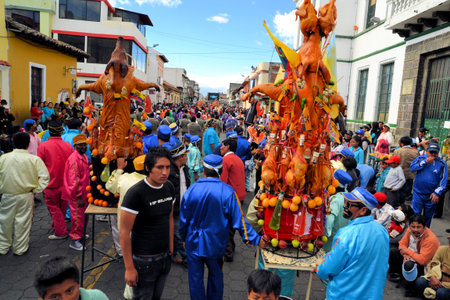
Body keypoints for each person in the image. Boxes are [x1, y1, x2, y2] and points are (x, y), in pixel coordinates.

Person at [180, 154, 268, 300]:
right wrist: (255, 239)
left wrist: (184, 238)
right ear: (220, 171)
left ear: (204, 170)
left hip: (193, 242)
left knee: (195, 280)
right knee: (216, 279)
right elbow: (240, 220)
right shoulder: (227, 192)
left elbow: (184, 220)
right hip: (215, 244)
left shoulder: (192, 190)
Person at [120, 147, 175, 300]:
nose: (164, 172)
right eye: (159, 167)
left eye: (167, 167)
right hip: (144, 262)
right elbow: (124, 232)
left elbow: (169, 218)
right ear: (147, 168)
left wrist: (171, 247)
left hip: (164, 258)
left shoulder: (169, 187)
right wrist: (129, 268)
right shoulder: (136, 194)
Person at [316, 187, 389, 300]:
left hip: (344, 295)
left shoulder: (346, 234)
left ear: (363, 210)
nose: (345, 206)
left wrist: (319, 268)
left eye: (350, 204)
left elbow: (328, 269)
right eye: (345, 202)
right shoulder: (381, 230)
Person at [0, 132, 50, 255]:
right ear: (28, 144)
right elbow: (45, 177)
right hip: (26, 195)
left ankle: (3, 246)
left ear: (13, 142)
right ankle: (20, 249)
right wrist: (37, 190)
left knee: (4, 221)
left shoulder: (4, 158)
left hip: (7, 195)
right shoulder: (34, 159)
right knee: (23, 222)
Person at [37, 121, 74, 239]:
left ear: (49, 131)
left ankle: (60, 232)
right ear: (61, 131)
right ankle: (58, 225)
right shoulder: (68, 146)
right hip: (65, 182)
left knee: (54, 208)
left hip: (50, 183)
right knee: (61, 206)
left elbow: (39, 165)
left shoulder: (43, 146)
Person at [388, 214, 440, 297]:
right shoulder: (409, 230)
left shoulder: (430, 239)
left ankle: (412, 288)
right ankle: (399, 276)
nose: (415, 229)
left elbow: (423, 261)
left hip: (426, 265)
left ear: (424, 226)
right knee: (393, 252)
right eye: (413, 227)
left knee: (409, 264)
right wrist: (405, 255)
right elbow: (402, 244)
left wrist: (408, 252)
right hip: (412, 256)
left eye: (418, 227)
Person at [220, 138, 247, 262]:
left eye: (223, 145)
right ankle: (231, 248)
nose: (221, 147)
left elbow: (223, 181)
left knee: (226, 226)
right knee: (232, 225)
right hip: (239, 196)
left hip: (230, 197)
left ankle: (228, 253)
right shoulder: (238, 159)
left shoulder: (226, 159)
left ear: (228, 147)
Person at [34, 256, 108, 300]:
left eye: (69, 291)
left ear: (78, 284)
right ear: (42, 297)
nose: (66, 299)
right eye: (55, 297)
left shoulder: (97, 297)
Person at [410, 142, 448, 227]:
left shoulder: (442, 164)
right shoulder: (420, 159)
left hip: (431, 196)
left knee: (428, 218)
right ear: (426, 151)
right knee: (416, 216)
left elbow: (443, 182)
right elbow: (412, 168)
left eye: (435, 152)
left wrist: (436, 193)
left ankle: (425, 237)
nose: (433, 155)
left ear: (438, 153)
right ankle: (414, 235)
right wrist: (425, 162)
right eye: (431, 152)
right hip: (418, 193)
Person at [62, 134, 90, 251]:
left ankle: (81, 234)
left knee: (84, 216)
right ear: (75, 146)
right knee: (77, 217)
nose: (83, 147)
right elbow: (74, 180)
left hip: (85, 193)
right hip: (77, 194)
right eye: (80, 145)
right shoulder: (74, 159)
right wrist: (78, 196)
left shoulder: (83, 157)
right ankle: (75, 240)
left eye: (85, 144)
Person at [167, 139, 190, 266]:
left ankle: (174, 254)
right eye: (185, 155)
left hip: (183, 208)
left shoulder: (184, 168)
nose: (187, 157)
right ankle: (187, 260)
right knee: (180, 235)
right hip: (174, 210)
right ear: (180, 157)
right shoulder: (170, 172)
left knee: (179, 234)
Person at [323, 170, 353, 252]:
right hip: (347, 237)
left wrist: (326, 234)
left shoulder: (335, 199)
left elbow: (330, 219)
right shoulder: (350, 197)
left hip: (333, 239)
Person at [416, 229, 450, 300]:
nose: (448, 237)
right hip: (437, 279)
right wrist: (432, 277)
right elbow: (432, 265)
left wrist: (441, 284)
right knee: (420, 282)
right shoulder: (442, 249)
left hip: (447, 285)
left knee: (441, 293)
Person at [393, 136, 418, 202]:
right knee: (405, 194)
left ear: (401, 143)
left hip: (399, 176)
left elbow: (393, 163)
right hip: (410, 176)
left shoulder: (397, 151)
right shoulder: (415, 152)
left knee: (397, 193)